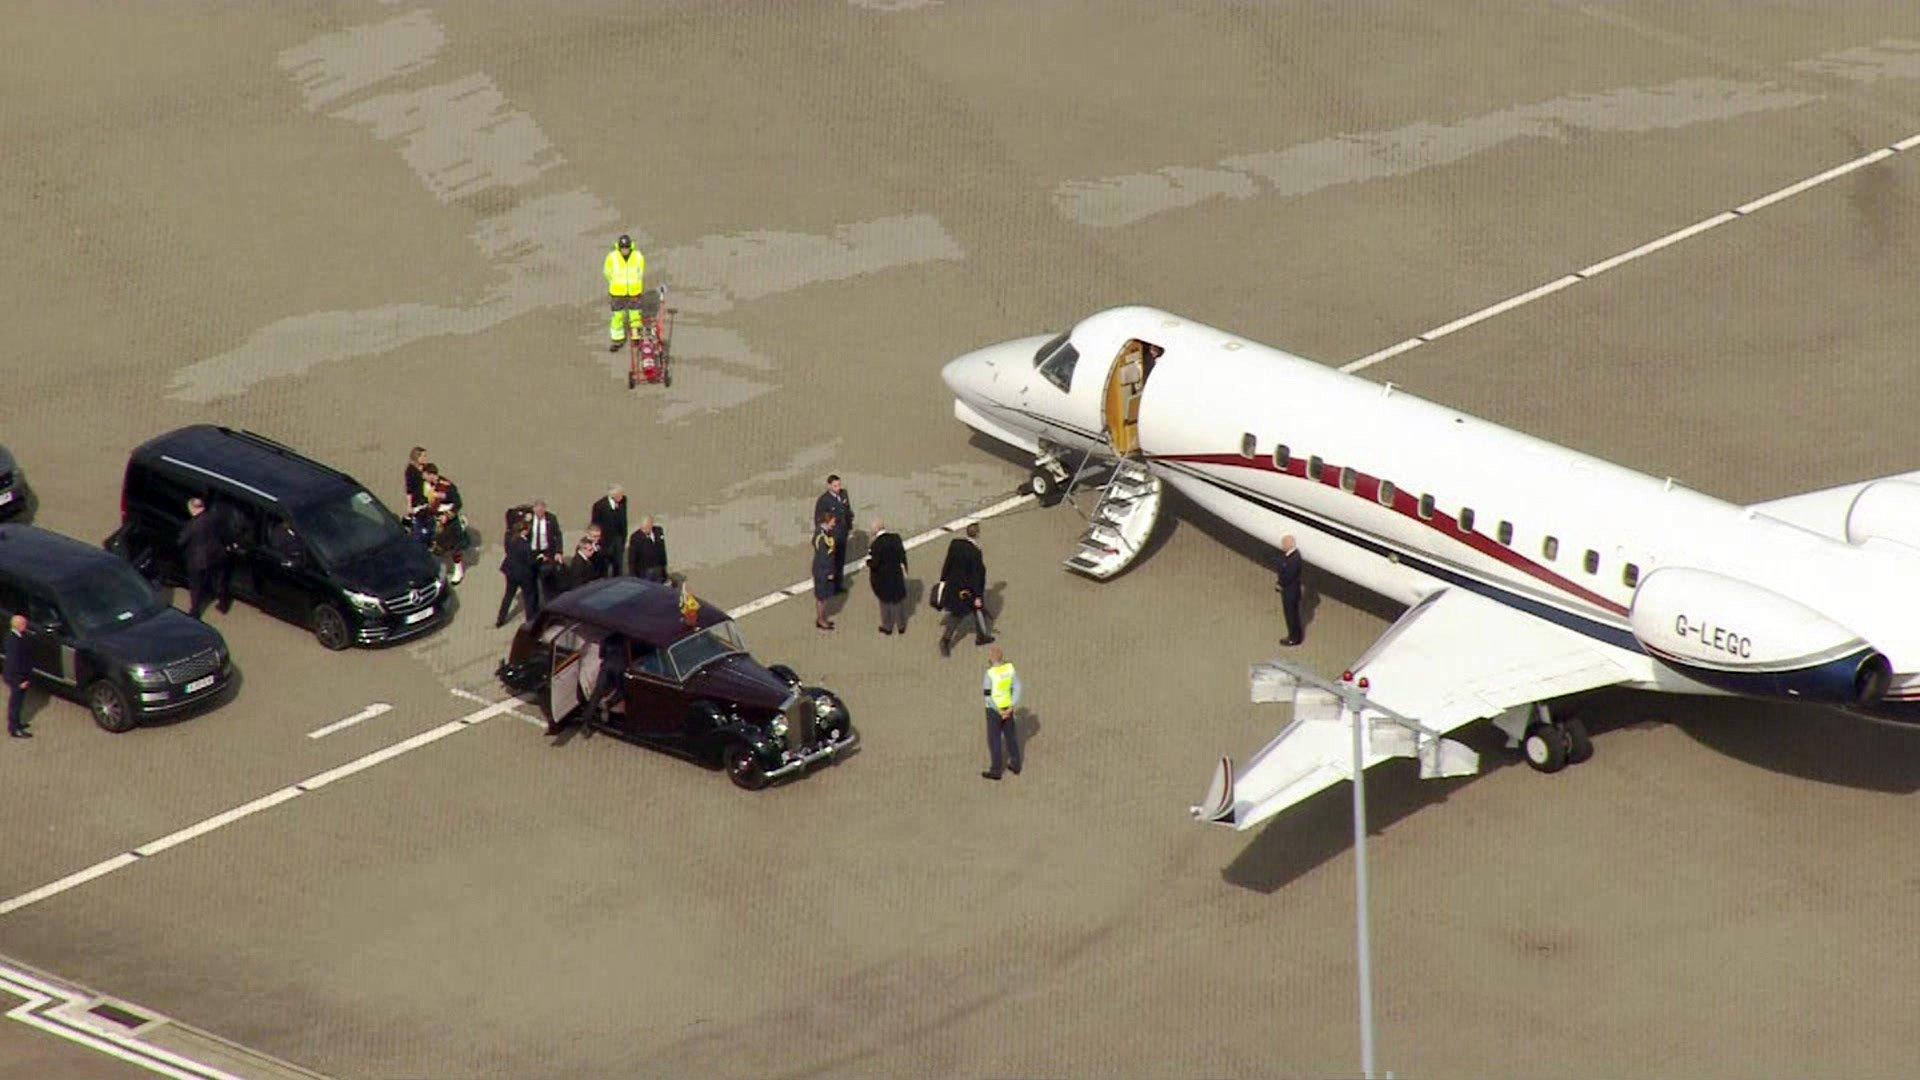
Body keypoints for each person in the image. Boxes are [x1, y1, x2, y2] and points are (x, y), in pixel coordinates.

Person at [936, 522, 992, 657]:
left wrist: (943, 579)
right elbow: (976, 576)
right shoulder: (975, 553)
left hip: (953, 585)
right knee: (959, 615)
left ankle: (982, 635)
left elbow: (947, 562)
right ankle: (946, 640)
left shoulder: (955, 544)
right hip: (967, 590)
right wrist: (978, 596)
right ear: (978, 534)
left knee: (973, 611)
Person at [178, 497, 228, 620]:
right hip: (217, 555)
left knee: (195, 586)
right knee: (219, 580)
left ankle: (195, 612)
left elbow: (181, 541)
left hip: (199, 561)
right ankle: (223, 604)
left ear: (194, 509)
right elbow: (223, 532)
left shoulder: (192, 525)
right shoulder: (213, 517)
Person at [980, 645, 1022, 780]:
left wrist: (997, 709)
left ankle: (996, 770)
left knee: (994, 740)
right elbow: (1018, 687)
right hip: (1007, 707)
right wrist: (1011, 705)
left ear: (992, 659)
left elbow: (988, 696)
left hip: (994, 711)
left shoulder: (989, 674)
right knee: (1011, 736)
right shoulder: (1010, 670)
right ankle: (1016, 763)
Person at [422, 464, 467, 584]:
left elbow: (458, 503)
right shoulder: (427, 486)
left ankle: (459, 570)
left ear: (432, 475)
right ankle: (436, 570)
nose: (424, 478)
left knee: (455, 548)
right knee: (436, 547)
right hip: (434, 520)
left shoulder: (447, 487)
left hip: (449, 523)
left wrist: (447, 516)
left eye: (425, 475)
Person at [603, 233, 646, 352]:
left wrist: (635, 284)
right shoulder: (612, 257)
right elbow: (607, 272)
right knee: (617, 317)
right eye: (623, 248)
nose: (625, 250)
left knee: (635, 316)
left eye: (626, 248)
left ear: (630, 246)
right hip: (617, 293)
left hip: (634, 292)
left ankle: (636, 338)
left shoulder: (638, 256)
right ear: (619, 247)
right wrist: (615, 284)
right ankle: (617, 341)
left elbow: (640, 272)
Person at [866, 518, 908, 635]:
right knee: (898, 602)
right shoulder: (896, 538)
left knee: (885, 604)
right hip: (896, 576)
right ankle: (901, 626)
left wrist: (868, 562)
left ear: (875, 531)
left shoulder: (876, 545)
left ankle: (887, 627)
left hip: (882, 579)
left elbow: (874, 564)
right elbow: (902, 555)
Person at [813, 475, 853, 593]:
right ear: (829, 486)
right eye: (835, 486)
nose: (838, 488)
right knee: (831, 561)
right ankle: (829, 587)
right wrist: (823, 533)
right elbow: (818, 519)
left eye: (839, 485)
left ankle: (838, 585)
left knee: (840, 560)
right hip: (831, 536)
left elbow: (847, 511)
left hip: (842, 533)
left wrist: (849, 526)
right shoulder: (823, 500)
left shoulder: (844, 494)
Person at [497, 519, 538, 627]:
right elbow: (531, 562)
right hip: (523, 575)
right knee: (529, 597)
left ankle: (500, 619)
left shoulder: (511, 539)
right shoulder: (525, 545)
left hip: (510, 572)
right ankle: (530, 620)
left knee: (508, 596)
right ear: (524, 531)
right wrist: (538, 558)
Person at [528, 500, 563, 601]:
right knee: (532, 580)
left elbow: (558, 535)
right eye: (537, 511)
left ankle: (549, 602)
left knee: (547, 579)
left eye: (541, 511)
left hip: (547, 552)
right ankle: (534, 604)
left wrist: (558, 551)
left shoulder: (551, 518)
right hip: (532, 553)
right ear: (534, 509)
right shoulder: (529, 519)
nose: (539, 514)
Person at [591, 486, 628, 576]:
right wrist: (597, 542)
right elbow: (595, 525)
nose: (622, 496)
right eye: (620, 495)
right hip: (605, 543)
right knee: (604, 569)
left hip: (618, 542)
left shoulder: (623, 502)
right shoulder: (599, 506)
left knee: (618, 569)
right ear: (613, 495)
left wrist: (623, 539)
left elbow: (623, 521)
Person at [1276, 534, 1305, 646]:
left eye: (1284, 543)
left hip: (1290, 592)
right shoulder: (1290, 556)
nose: (1282, 546)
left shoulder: (1294, 559)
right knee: (1291, 615)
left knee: (1291, 616)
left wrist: (1280, 584)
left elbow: (1289, 575)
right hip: (1290, 591)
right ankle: (1294, 635)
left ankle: (1294, 637)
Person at [5, 614, 31, 739]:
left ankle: (17, 724)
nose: (26, 626)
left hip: (20, 677)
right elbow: (14, 663)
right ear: (19, 626)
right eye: (25, 624)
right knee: (15, 704)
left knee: (18, 703)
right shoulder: (14, 642)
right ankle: (14, 729)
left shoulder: (17, 637)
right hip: (17, 679)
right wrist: (19, 681)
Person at [812, 513, 838, 631]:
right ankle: (821, 620)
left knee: (823, 596)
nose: (834, 523)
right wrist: (829, 573)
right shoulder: (823, 538)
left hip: (820, 569)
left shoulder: (822, 532)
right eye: (833, 521)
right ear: (828, 521)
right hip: (822, 571)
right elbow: (824, 558)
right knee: (822, 597)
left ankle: (822, 618)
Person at [627, 516, 668, 582]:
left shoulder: (658, 531)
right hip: (644, 571)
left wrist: (664, 568)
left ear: (651, 525)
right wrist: (633, 576)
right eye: (643, 528)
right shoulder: (635, 537)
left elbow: (662, 549)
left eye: (646, 527)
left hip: (657, 568)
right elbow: (632, 558)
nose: (644, 530)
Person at [403, 446, 428, 514]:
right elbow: (409, 489)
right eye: (424, 456)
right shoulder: (411, 470)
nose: (425, 458)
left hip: (428, 500)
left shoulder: (426, 468)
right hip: (418, 502)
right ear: (417, 457)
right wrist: (409, 505)